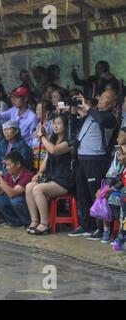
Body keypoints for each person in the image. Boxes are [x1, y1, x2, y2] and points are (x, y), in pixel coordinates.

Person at [69, 90, 118, 240]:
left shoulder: (110, 117)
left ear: (112, 104)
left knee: (96, 194)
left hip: (96, 159)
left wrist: (89, 109)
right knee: (82, 193)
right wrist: (74, 112)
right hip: (82, 158)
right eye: (101, 97)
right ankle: (85, 225)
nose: (101, 100)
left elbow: (102, 122)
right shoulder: (93, 113)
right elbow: (76, 125)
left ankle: (100, 228)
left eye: (105, 99)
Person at [25, 115, 74, 235]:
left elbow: (54, 150)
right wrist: (40, 172)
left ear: (66, 126)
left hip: (64, 180)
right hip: (51, 177)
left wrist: (42, 136)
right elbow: (47, 158)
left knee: (38, 189)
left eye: (59, 123)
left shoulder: (69, 142)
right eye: (54, 123)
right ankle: (34, 220)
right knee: (29, 186)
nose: (55, 126)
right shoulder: (52, 139)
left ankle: (45, 224)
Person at [0, 151, 34, 228]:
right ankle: (15, 222)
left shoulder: (27, 175)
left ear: (18, 164)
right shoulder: (9, 175)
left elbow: (12, 193)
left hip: (28, 208)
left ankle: (27, 222)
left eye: (8, 165)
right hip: (18, 206)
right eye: (5, 165)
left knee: (16, 200)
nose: (6, 168)